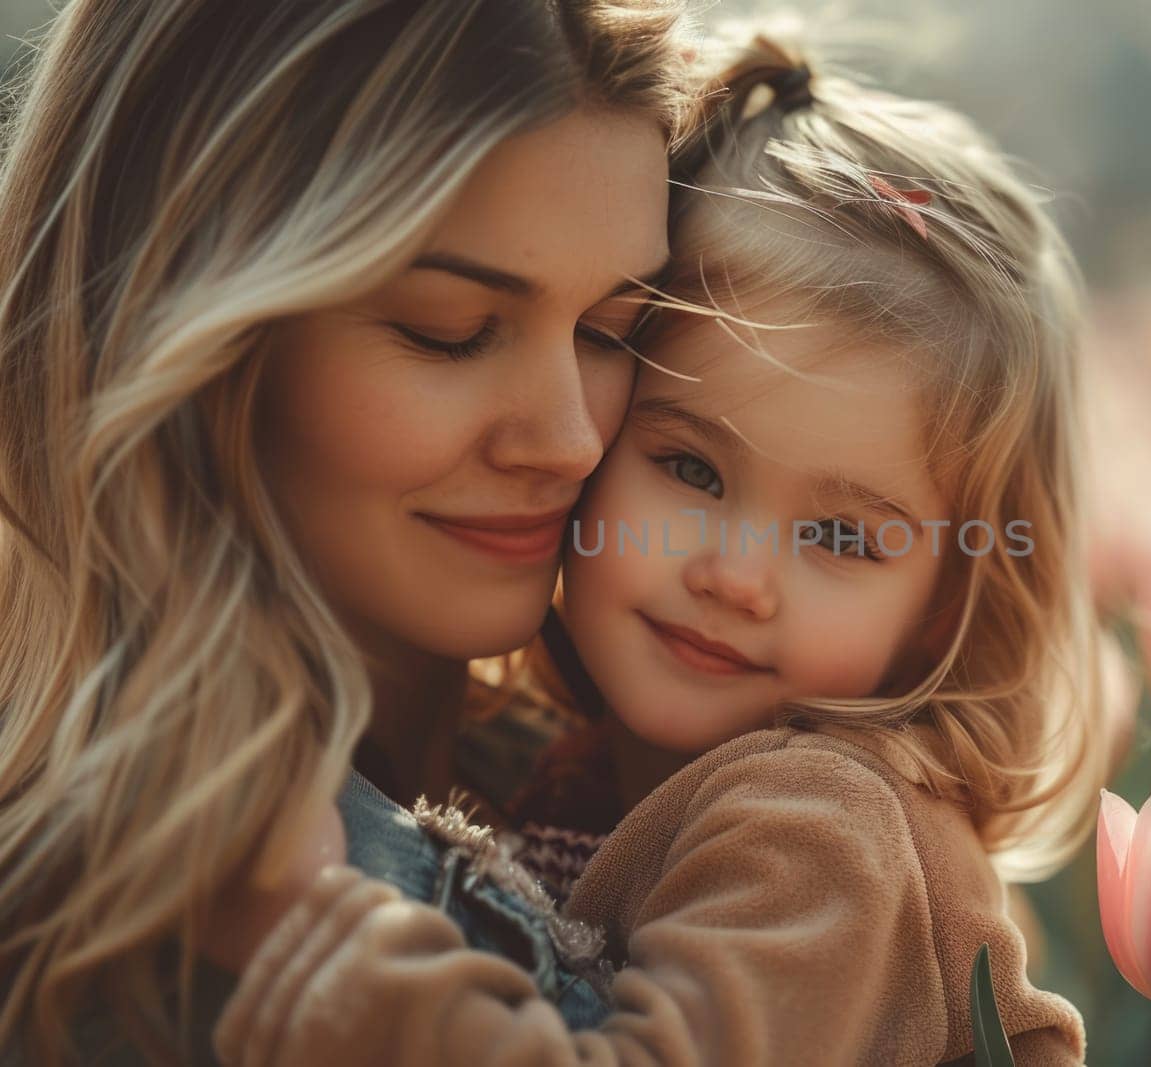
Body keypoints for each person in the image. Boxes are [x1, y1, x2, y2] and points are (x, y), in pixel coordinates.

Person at [212, 35, 1106, 1066]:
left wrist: (364, 977)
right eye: (690, 470)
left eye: (840, 536)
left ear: (946, 606)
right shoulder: (584, 777)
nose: (732, 574)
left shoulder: (820, 823)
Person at [0, 1, 690, 1063]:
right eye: (446, 332)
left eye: (613, 329)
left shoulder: (657, 789)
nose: (568, 441)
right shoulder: (132, 950)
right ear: (176, 328)